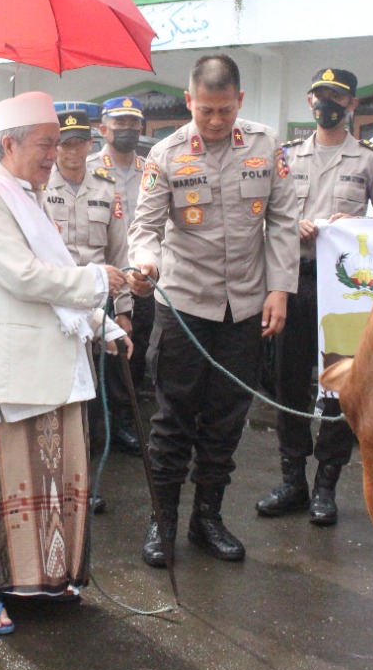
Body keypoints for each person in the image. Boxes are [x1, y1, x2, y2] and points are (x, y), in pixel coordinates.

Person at [0, 91, 129, 635]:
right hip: (8, 368)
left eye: (58, 143)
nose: (54, 154)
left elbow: (51, 272)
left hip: (50, 363)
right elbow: (24, 275)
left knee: (52, 480)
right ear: (10, 144)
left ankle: (41, 579)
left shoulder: (28, 196)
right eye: (45, 144)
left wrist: (102, 325)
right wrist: (96, 281)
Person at [128, 54, 299, 567]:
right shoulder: (166, 154)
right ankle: (162, 523)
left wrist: (280, 288)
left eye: (225, 110)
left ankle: (208, 519)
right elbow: (145, 228)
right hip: (184, 306)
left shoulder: (266, 146)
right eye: (206, 111)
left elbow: (283, 220)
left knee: (226, 420)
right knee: (173, 421)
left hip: (244, 308)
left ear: (239, 101)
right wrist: (145, 262)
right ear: (189, 101)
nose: (217, 120)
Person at [256, 67, 373, 528]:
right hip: (294, 280)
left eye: (337, 97)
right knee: (288, 381)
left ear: (352, 104)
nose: (327, 104)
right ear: (309, 100)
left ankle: (326, 486)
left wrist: (354, 226)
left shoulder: (371, 160)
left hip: (344, 289)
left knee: (339, 383)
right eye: (320, 96)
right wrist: (289, 226)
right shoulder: (286, 156)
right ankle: (292, 480)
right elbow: (266, 213)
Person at [42, 109, 133, 511]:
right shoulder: (40, 187)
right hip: (57, 306)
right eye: (65, 143)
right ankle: (54, 480)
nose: (73, 151)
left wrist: (123, 311)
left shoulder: (107, 188)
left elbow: (120, 254)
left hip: (98, 307)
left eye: (79, 142)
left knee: (91, 400)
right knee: (57, 396)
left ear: (90, 144)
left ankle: (84, 483)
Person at [87, 96, 151, 454]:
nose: (127, 129)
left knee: (135, 352)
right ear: (103, 129)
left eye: (132, 123)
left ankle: (126, 420)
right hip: (106, 272)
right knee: (106, 354)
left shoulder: (151, 169)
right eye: (119, 123)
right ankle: (101, 426)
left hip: (144, 276)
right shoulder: (88, 167)